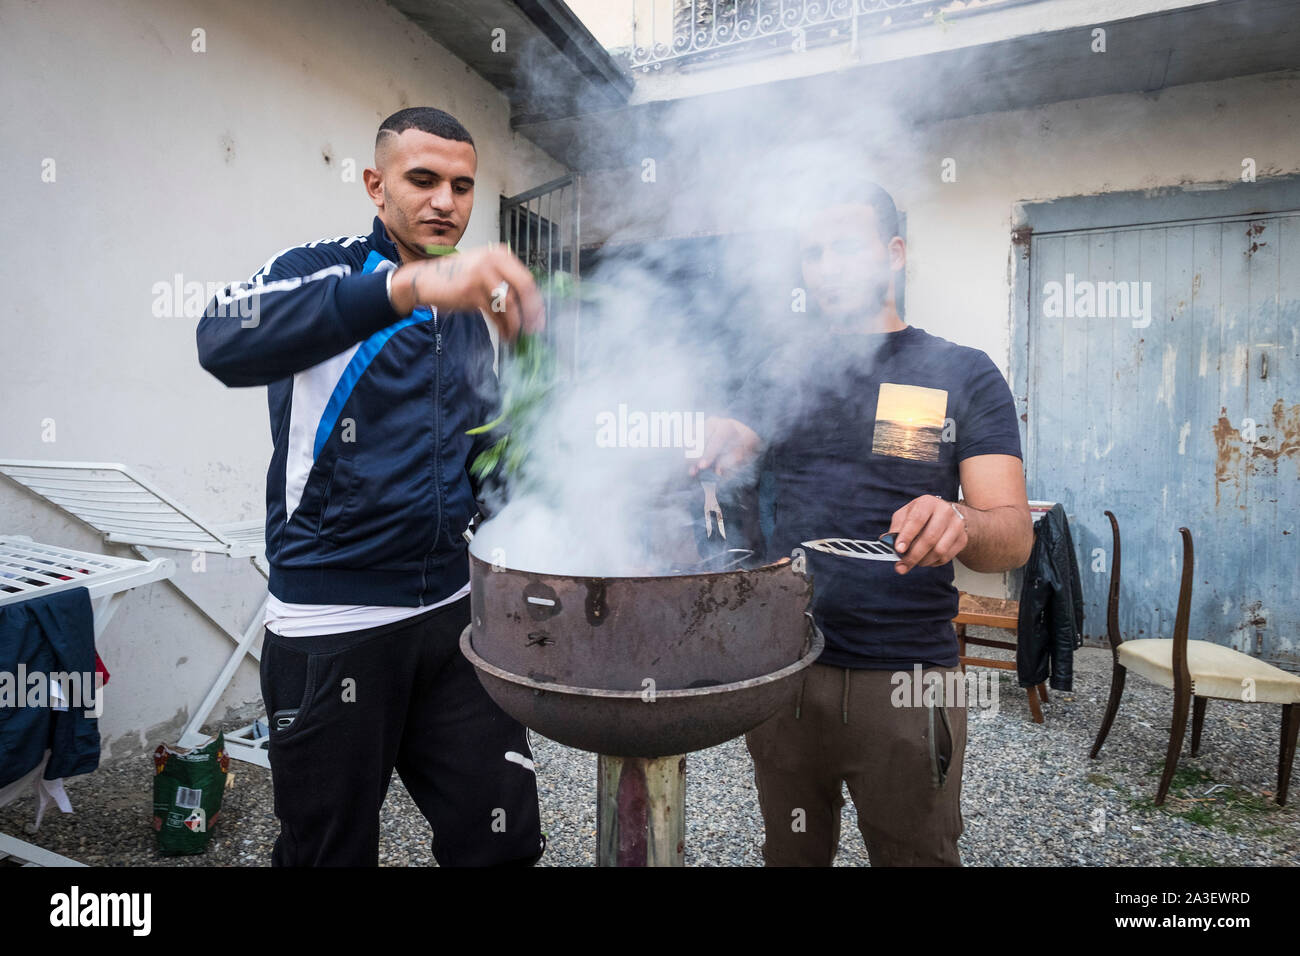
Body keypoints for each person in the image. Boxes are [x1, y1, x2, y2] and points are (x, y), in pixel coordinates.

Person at [196, 107, 546, 866]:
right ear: (374, 184)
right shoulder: (319, 268)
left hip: (455, 622)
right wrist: (406, 287)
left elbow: (484, 455)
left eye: (461, 186)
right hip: (333, 626)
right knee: (331, 853)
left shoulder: (465, 314)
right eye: (422, 180)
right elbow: (220, 339)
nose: (445, 203)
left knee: (505, 839)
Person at [697, 180, 1033, 866]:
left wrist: (961, 522)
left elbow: (1013, 534)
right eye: (812, 253)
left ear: (893, 253)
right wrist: (716, 447)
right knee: (790, 856)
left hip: (907, 678)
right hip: (785, 670)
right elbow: (736, 451)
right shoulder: (781, 369)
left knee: (917, 856)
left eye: (845, 246)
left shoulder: (961, 372)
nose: (827, 267)